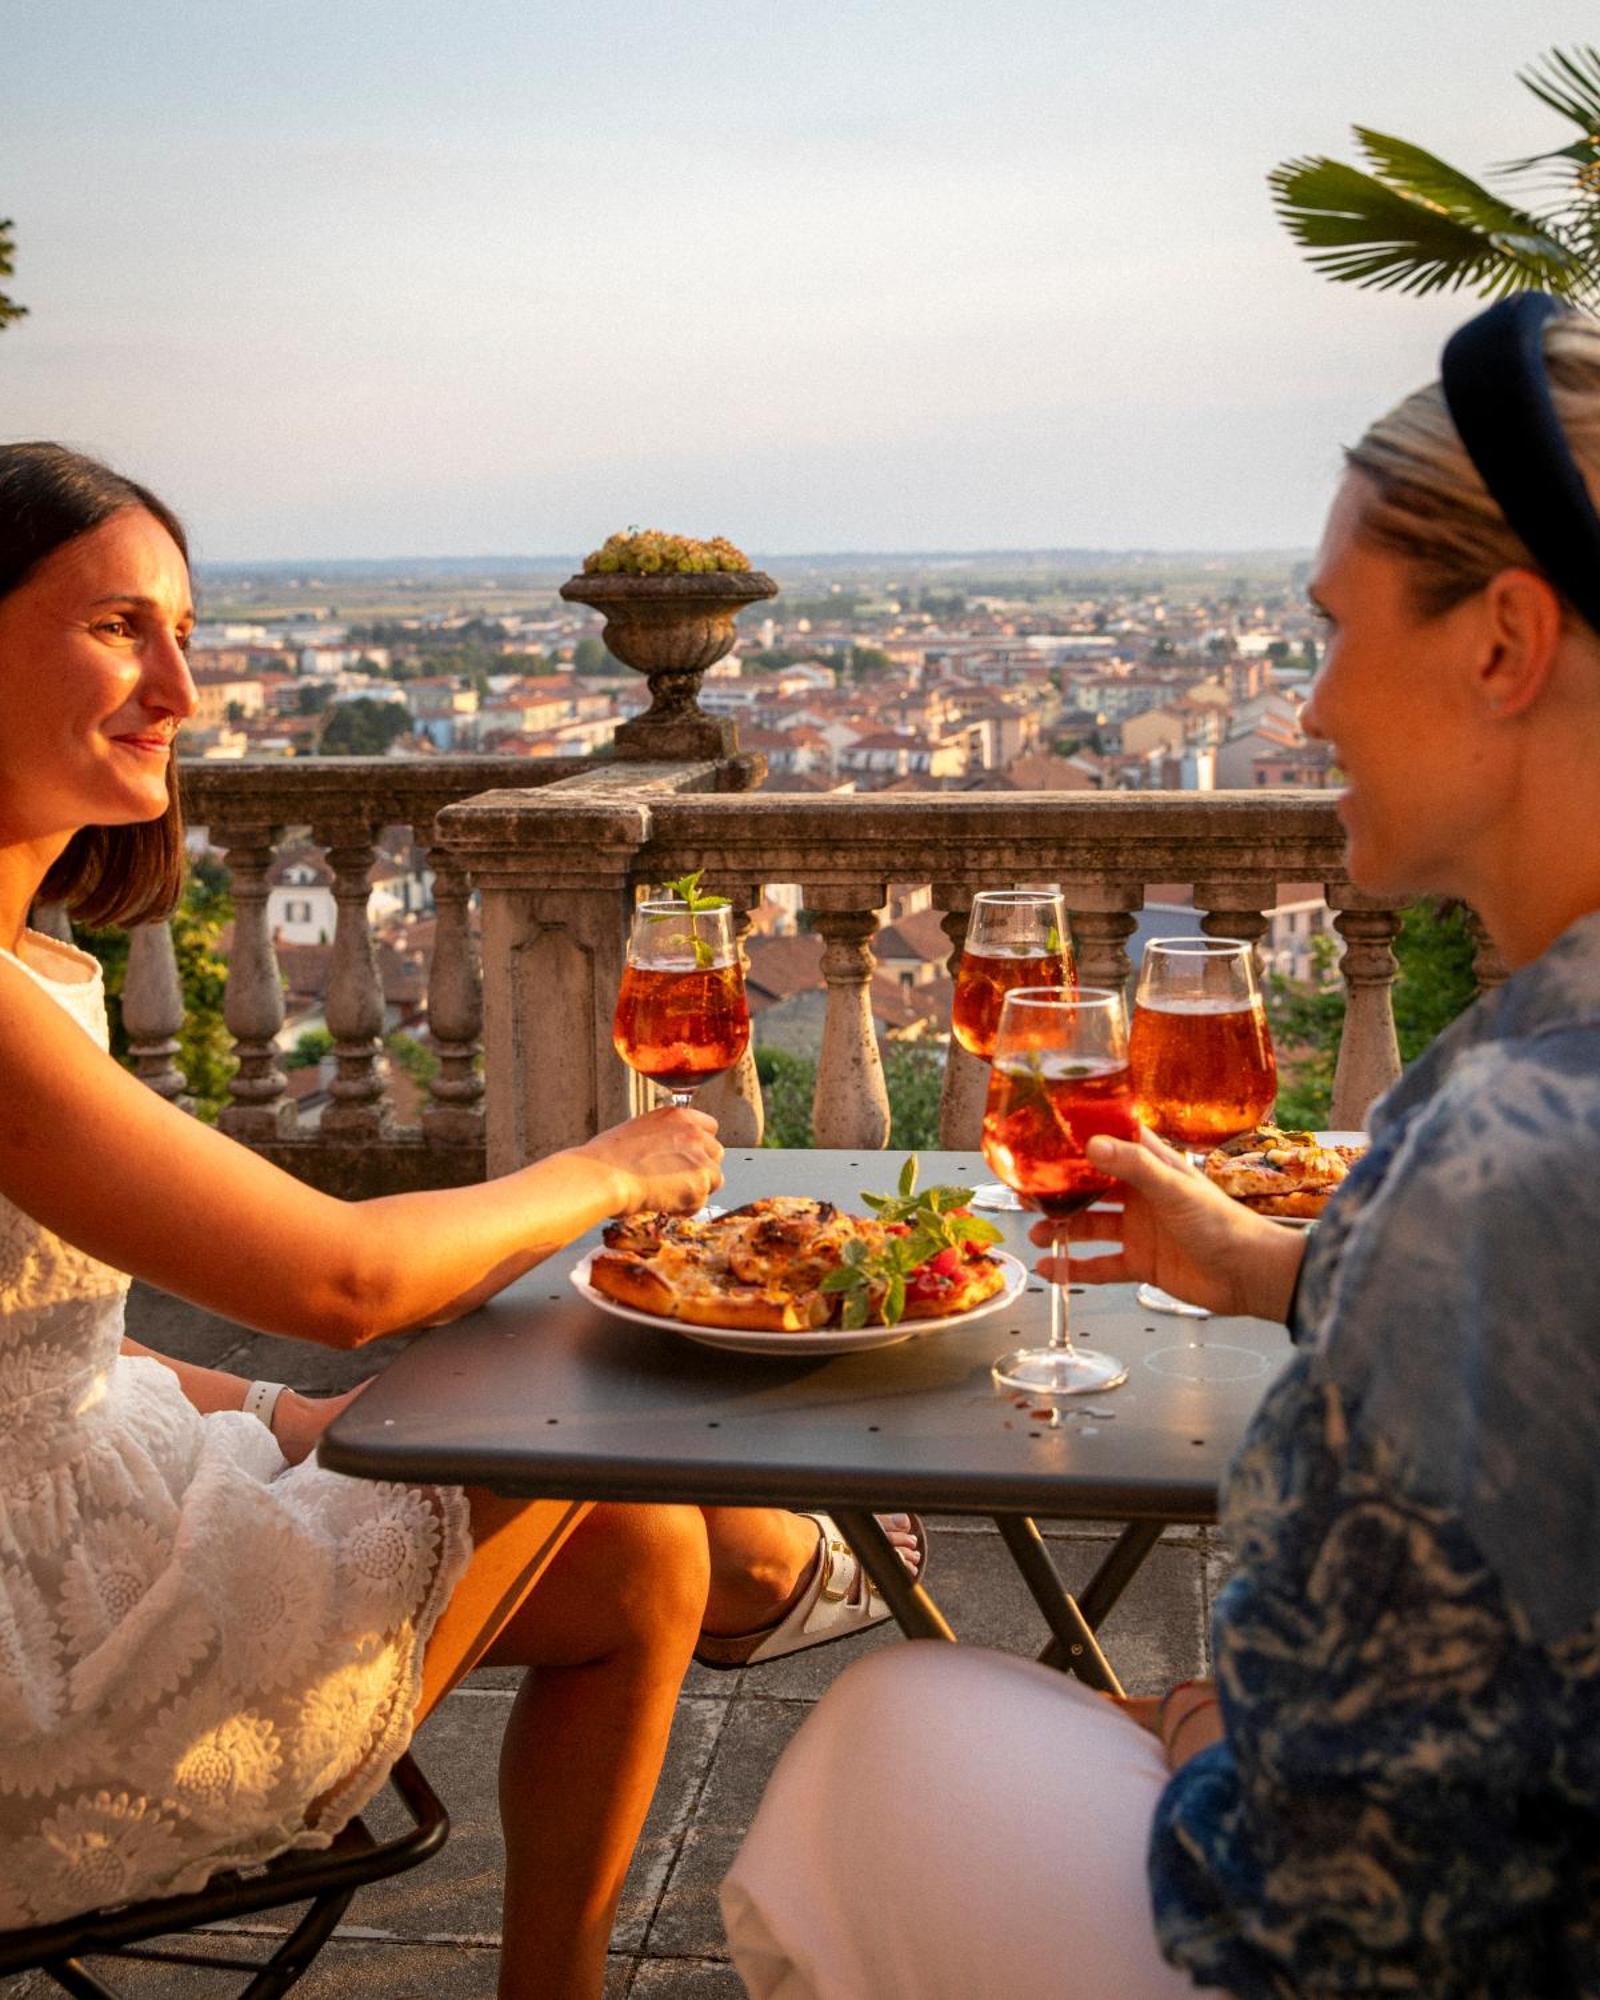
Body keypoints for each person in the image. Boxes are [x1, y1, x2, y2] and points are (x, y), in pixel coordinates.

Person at [722, 293, 1600, 1998]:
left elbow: (1342, 1896)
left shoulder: (1516, 1147)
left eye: (1337, 633)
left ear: (1504, 640)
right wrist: (1268, 1261)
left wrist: (1199, 1720)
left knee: (881, 1730)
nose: (1315, 711)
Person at [0, 441, 919, 2000]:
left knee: (628, 1554)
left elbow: (47, 1353)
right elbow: (343, 1274)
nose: (181, 688)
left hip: (90, 1529)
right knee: (556, 1385)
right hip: (52, 1676)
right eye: (116, 628)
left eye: (183, 632)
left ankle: (739, 1621)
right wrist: (611, 1169)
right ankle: (786, 1564)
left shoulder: (30, 966)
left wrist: (294, 1417)